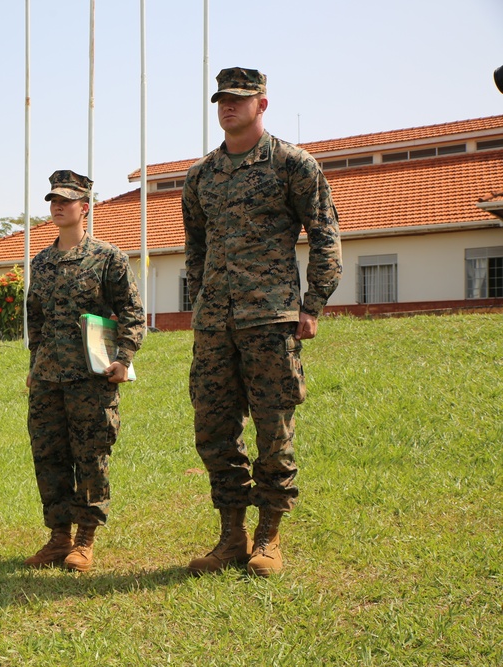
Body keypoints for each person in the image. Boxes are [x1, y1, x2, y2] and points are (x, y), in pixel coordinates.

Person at [181, 68, 342, 577]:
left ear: (262, 104)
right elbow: (195, 249)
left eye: (239, 99)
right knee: (214, 429)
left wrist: (311, 305)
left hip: (270, 320)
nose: (229, 107)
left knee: (274, 428)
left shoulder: (291, 163)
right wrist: (203, 300)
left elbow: (325, 236)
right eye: (222, 100)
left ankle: (269, 537)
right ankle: (231, 536)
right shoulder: (201, 175)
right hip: (214, 325)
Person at [23, 170, 145, 573]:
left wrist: (123, 359)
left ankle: (85, 539)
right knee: (49, 458)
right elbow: (35, 320)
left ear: (85, 207)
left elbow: (131, 312)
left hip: (91, 378)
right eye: (53, 200)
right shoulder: (41, 262)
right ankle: (58, 537)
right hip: (47, 380)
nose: (58, 205)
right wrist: (33, 365)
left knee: (91, 457)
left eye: (67, 200)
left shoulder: (108, 258)